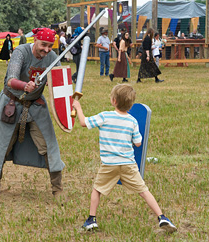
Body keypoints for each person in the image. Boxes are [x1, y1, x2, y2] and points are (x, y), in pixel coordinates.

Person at [72, 83, 177, 233]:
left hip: (109, 164)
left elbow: (83, 123)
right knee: (143, 190)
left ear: (114, 101)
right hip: (128, 164)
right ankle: (162, 217)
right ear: (131, 104)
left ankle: (91, 220)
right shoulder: (132, 121)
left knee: (97, 190)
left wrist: (79, 108)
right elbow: (138, 142)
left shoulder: (105, 116)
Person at [0, 28, 65, 200]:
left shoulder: (52, 58)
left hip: (36, 105)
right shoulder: (20, 52)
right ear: (35, 40)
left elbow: (58, 84)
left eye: (50, 46)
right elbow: (10, 79)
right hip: (11, 102)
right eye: (43, 45)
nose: (47, 50)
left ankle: (57, 188)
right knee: (2, 145)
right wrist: (24, 85)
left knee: (49, 145)